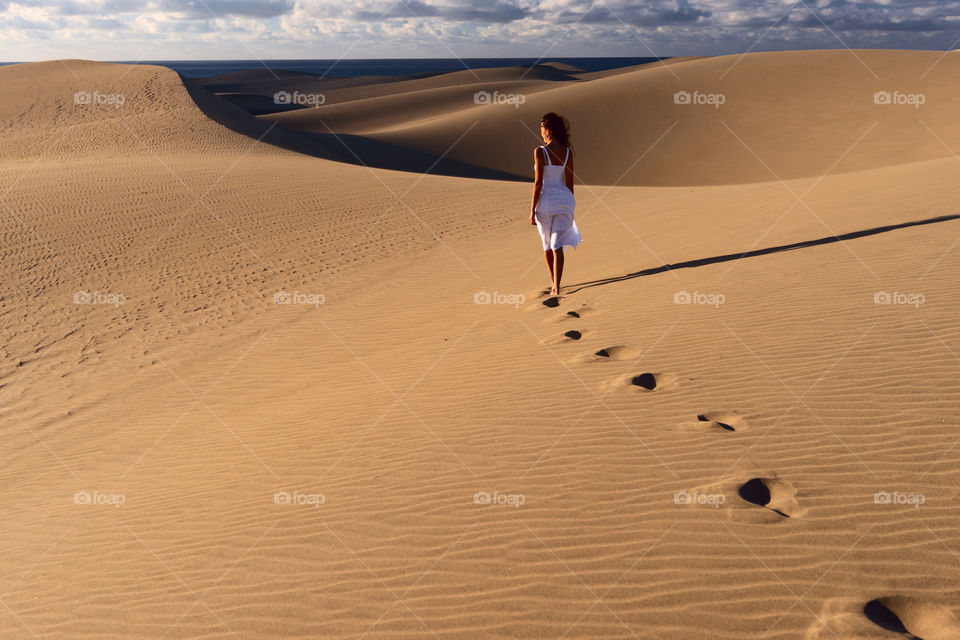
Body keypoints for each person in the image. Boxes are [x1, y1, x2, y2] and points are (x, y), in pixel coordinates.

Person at [530, 112, 581, 296]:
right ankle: (557, 285)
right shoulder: (567, 152)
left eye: (542, 129)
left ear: (548, 131)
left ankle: (553, 284)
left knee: (547, 245)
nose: (541, 133)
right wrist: (571, 205)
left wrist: (531, 211)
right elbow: (570, 182)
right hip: (563, 200)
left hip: (545, 202)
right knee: (557, 245)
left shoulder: (540, 151)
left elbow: (538, 183)